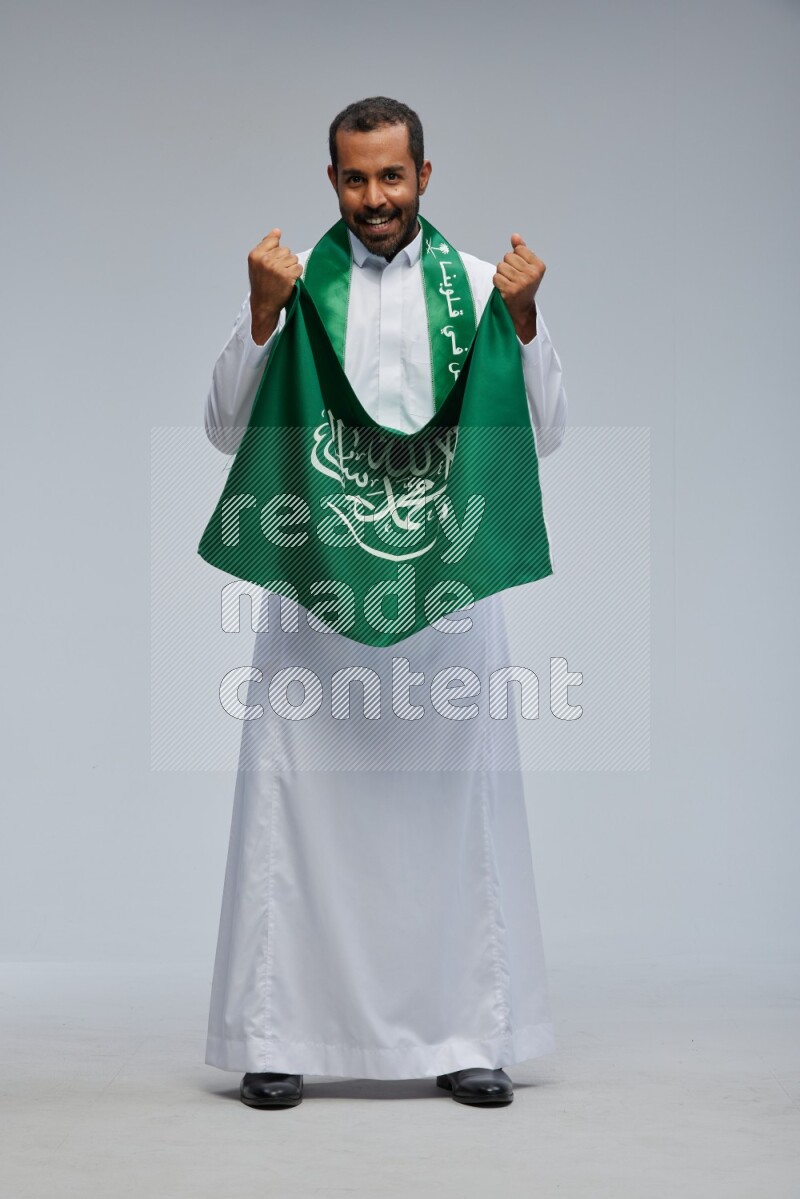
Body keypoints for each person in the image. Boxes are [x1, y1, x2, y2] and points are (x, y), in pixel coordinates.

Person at [202, 97, 568, 1109]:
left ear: (424, 174)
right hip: (317, 591)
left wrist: (525, 324)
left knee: (450, 812)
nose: (374, 198)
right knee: (299, 799)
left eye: (391, 177)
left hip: (443, 598)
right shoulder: (294, 284)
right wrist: (259, 316)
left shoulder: (480, 288)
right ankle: (278, 1032)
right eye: (355, 179)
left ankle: (462, 1032)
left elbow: (540, 437)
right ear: (331, 181)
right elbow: (223, 424)